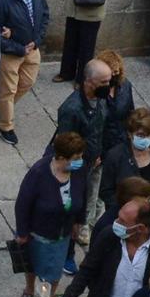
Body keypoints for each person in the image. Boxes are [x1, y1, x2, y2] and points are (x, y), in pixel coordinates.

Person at [13, 130, 85, 297]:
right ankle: (29, 290)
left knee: (54, 270)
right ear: (61, 157)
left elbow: (83, 196)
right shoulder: (39, 172)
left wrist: (79, 222)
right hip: (38, 231)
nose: (80, 160)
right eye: (76, 157)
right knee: (33, 264)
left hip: (63, 233)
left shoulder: (77, 173)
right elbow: (23, 203)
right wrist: (22, 232)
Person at [0, 0, 48, 146]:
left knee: (27, 82)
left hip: (32, 48)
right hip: (11, 52)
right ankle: (6, 126)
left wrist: (36, 41)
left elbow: (44, 14)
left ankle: (0, 107)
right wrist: (17, 47)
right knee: (9, 89)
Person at [52, 59, 112, 221]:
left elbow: (102, 127)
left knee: (92, 195)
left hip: (95, 160)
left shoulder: (101, 99)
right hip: (78, 164)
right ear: (89, 82)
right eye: (104, 82)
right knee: (76, 196)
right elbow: (66, 143)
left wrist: (100, 153)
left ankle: (86, 223)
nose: (108, 85)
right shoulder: (72, 109)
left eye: (109, 80)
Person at [97, 108, 150, 233]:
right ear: (130, 134)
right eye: (141, 135)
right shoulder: (115, 156)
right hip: (125, 220)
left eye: (149, 135)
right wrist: (129, 210)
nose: (146, 139)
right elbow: (106, 191)